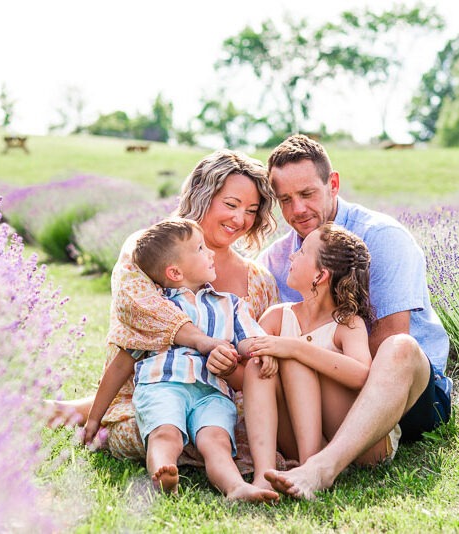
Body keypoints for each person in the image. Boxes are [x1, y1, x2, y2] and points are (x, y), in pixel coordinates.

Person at [48, 149, 284, 475]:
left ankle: (74, 411)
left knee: (237, 434)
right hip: (151, 395)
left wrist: (228, 367)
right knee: (150, 427)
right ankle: (88, 415)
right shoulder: (149, 252)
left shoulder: (259, 280)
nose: (240, 219)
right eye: (230, 205)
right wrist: (204, 343)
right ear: (202, 196)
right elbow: (143, 315)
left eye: (251, 210)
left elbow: (256, 372)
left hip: (221, 407)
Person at [255, 134, 452, 500]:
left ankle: (322, 467)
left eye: (307, 194)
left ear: (333, 184)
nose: (297, 210)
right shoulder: (278, 259)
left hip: (409, 395)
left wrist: (298, 351)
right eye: (285, 199)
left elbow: (381, 350)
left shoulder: (382, 238)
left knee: (400, 347)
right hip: (322, 397)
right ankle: (308, 452)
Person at [82, 218, 278, 501]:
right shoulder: (158, 310)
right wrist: (94, 419)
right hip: (163, 385)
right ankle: (164, 471)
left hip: (212, 392)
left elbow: (247, 338)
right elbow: (122, 363)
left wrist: (262, 351)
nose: (210, 252)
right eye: (200, 248)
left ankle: (235, 487)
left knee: (217, 441)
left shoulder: (230, 304)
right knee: (165, 433)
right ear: (174, 272)